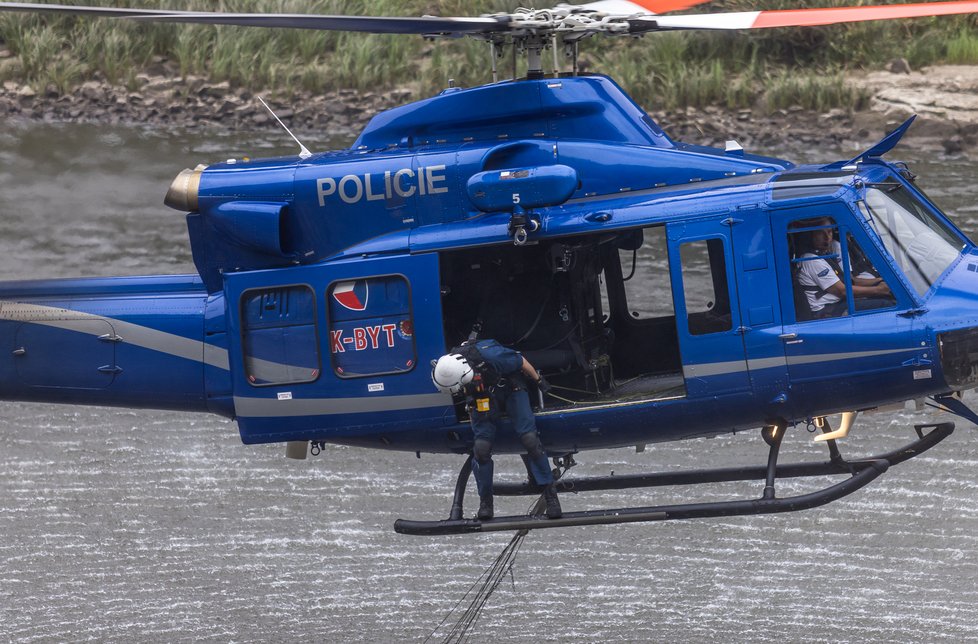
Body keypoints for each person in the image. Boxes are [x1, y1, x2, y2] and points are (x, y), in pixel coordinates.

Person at [431, 339, 562, 521]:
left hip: (510, 388)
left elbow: (521, 361)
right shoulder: (449, 369)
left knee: (530, 440)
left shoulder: (492, 356)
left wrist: (539, 381)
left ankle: (551, 496)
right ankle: (485, 503)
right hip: (483, 397)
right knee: (481, 449)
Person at [794, 217, 892, 319]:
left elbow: (848, 281)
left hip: (837, 304)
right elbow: (842, 291)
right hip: (827, 311)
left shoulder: (824, 255)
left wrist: (880, 281)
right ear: (811, 235)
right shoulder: (812, 260)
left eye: (829, 232)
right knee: (886, 304)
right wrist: (879, 290)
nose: (827, 237)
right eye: (820, 233)